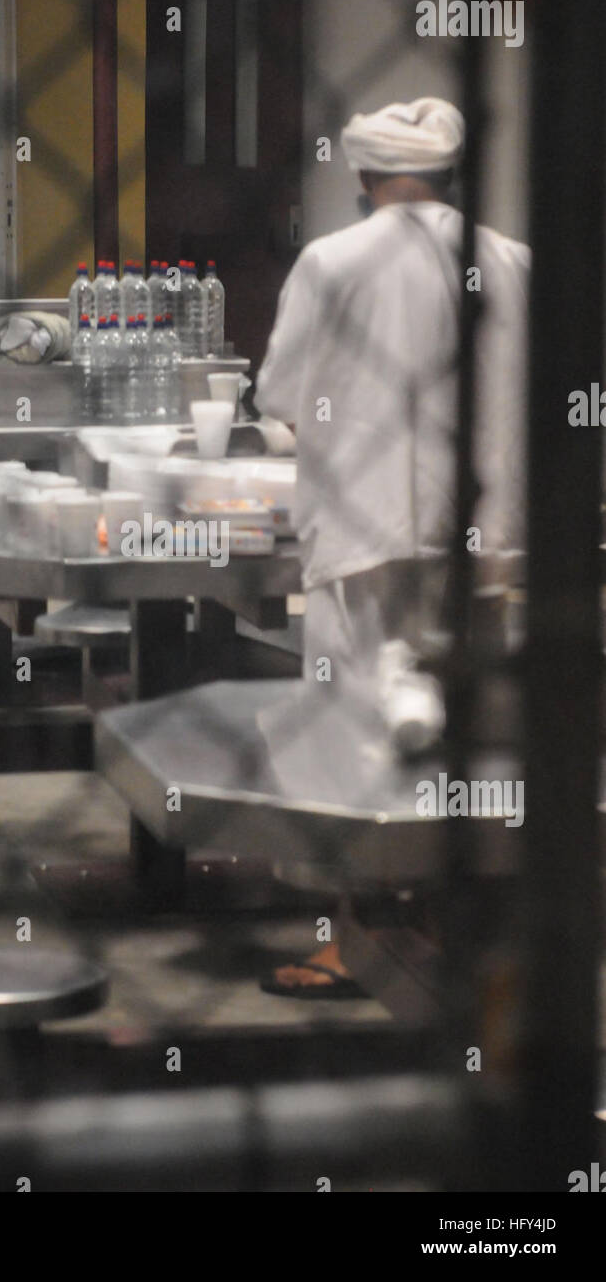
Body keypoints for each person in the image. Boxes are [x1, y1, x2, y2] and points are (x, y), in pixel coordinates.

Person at [254, 97, 530, 995]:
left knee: (355, 731)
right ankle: (455, 923)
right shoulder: (510, 262)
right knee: (460, 730)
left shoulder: (332, 261)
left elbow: (282, 394)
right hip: (481, 540)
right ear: (450, 178)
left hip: (366, 532)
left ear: (364, 179)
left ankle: (360, 934)